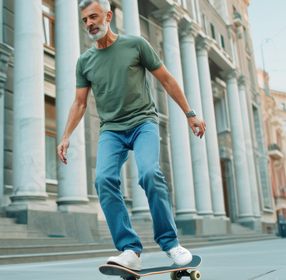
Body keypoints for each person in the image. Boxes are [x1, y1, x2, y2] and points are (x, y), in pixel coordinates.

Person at [57, 0, 206, 271]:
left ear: (108, 15)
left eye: (93, 16)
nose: (89, 23)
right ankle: (129, 249)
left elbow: (167, 80)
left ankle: (171, 243)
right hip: (111, 130)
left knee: (149, 173)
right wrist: (66, 135)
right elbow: (79, 103)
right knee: (103, 179)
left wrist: (190, 113)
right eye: (85, 20)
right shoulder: (85, 61)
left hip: (143, 123)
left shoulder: (136, 44)